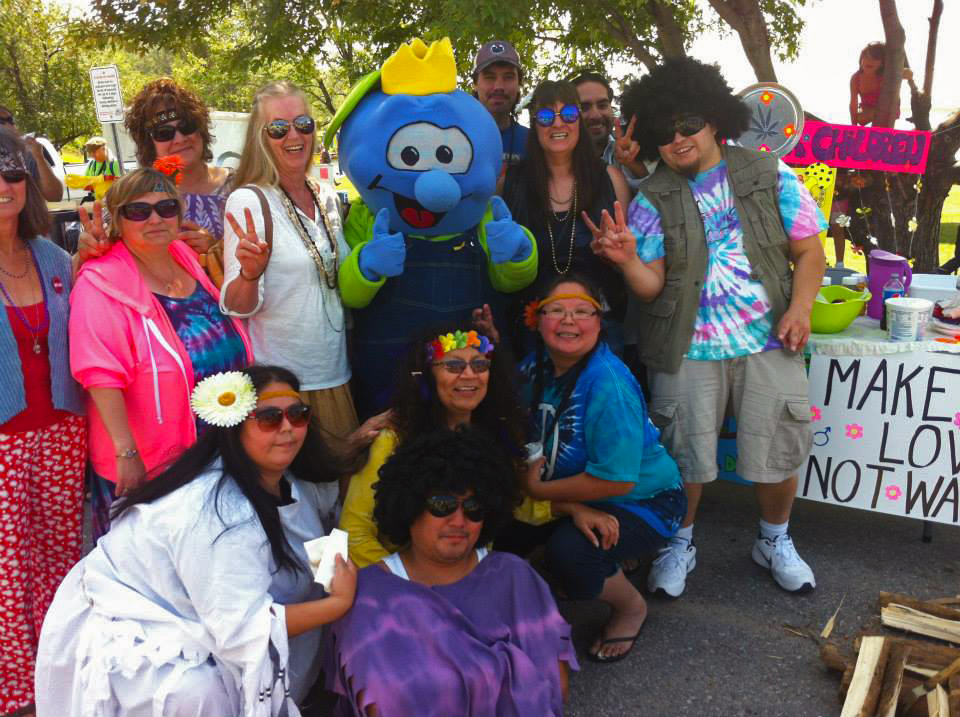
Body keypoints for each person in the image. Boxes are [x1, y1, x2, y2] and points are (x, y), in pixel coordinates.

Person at [35, 365, 358, 715]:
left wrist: (331, 579)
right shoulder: (217, 515)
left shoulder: (293, 479)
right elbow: (241, 632)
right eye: (269, 418)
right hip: (136, 619)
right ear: (236, 427)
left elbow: (316, 532)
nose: (288, 429)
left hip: (205, 609)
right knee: (200, 692)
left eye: (299, 414)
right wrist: (336, 604)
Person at [619, 57, 827, 598]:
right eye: (665, 132)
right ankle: (678, 542)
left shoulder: (767, 172)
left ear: (714, 118)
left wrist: (800, 309)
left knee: (777, 446)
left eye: (689, 124)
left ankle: (774, 540)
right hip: (687, 348)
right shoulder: (652, 198)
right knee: (682, 455)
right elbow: (649, 285)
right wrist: (625, 260)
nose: (679, 139)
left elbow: (809, 251)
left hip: (769, 340)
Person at [326, 426, 577, 717]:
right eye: (442, 505)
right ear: (409, 506)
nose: (459, 520)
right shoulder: (367, 600)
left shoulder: (516, 578)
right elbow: (377, 706)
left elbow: (555, 689)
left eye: (473, 507)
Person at [506, 275, 685, 663]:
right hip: (573, 494)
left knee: (571, 553)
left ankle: (629, 606)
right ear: (536, 320)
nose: (569, 321)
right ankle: (611, 560)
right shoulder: (534, 366)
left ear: (599, 322)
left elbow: (616, 481)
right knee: (498, 528)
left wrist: (538, 494)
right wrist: (570, 507)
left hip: (646, 501)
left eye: (582, 311)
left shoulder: (609, 382)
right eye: (556, 310)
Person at [69, 168, 253, 537]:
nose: (155, 218)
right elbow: (98, 373)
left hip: (214, 453)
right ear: (118, 220)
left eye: (166, 208)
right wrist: (126, 452)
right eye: (138, 211)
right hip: (151, 463)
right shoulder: (100, 280)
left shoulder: (185, 257)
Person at [340, 323, 570, 567]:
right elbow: (354, 533)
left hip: (470, 571)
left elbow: (513, 502)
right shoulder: (393, 439)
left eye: (480, 365)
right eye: (454, 365)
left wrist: (570, 509)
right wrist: (408, 586)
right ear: (428, 375)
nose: (470, 374)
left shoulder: (497, 432)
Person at [221, 82, 370, 446]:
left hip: (336, 374)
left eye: (303, 124)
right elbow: (235, 306)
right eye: (278, 128)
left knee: (338, 492)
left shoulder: (326, 196)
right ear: (260, 137)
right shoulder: (248, 200)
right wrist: (249, 274)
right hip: (283, 387)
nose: (294, 135)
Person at [0, 128, 85, 717]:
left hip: (61, 429)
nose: (2, 186)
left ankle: (60, 680)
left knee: (59, 559)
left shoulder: (54, 257)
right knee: (7, 573)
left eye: (11, 172)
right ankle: (16, 696)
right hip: (3, 437)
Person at [501, 80, 631, 351]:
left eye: (569, 114)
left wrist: (613, 255)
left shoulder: (610, 179)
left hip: (602, 328)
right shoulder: (509, 183)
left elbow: (629, 264)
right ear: (534, 123)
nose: (558, 124)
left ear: (578, 122)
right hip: (529, 331)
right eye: (546, 116)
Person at [571, 71, 648, 190]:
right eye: (584, 108)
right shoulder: (559, 158)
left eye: (602, 105)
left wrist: (632, 163)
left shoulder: (633, 144)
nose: (595, 115)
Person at [472, 40, 528, 168]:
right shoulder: (456, 136)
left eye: (508, 77)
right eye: (490, 77)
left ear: (519, 84)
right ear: (475, 84)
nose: (499, 86)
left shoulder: (533, 141)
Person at [0, 105, 63, 202]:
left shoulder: (28, 154)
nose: (9, 125)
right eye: (1, 121)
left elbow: (55, 196)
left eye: (11, 120)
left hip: (26, 217)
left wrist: (39, 157)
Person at [848, 42, 908, 126]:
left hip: (888, 109)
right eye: (866, 57)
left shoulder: (886, 75)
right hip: (868, 109)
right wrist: (854, 127)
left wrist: (900, 72)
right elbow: (853, 104)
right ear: (861, 59)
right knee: (861, 119)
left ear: (882, 63)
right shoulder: (856, 78)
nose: (869, 61)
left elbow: (909, 73)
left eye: (875, 58)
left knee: (881, 118)